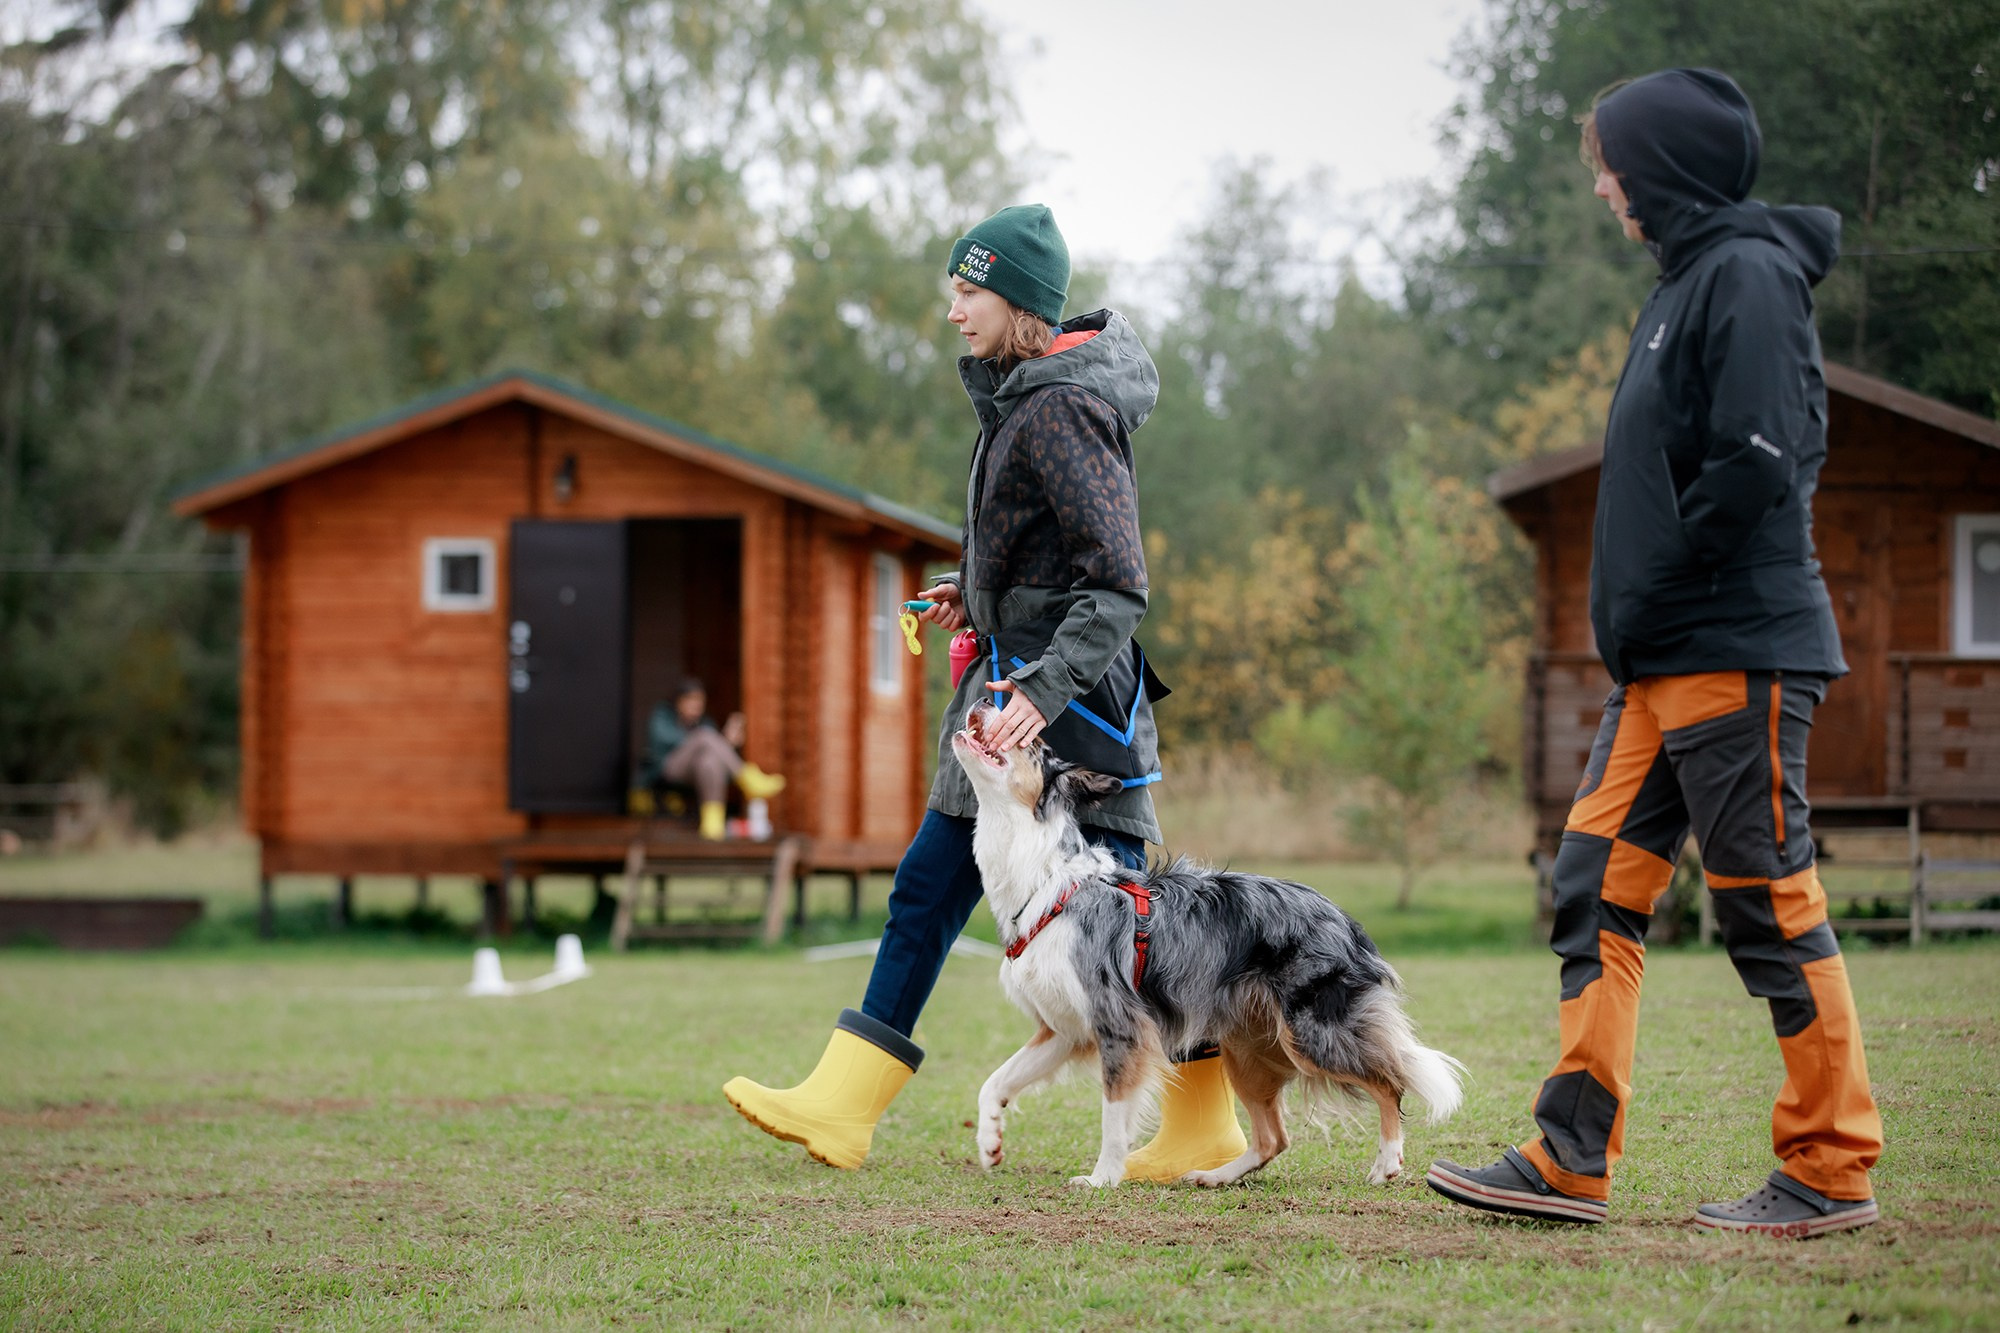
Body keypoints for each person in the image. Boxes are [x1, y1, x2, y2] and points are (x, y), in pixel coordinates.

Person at [1425, 69, 1884, 1237]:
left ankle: (1829, 1165)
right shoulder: (1685, 283)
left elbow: (1762, 459)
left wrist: (1668, 581)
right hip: (1661, 667)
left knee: (1765, 904)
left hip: (1731, 648)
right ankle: (1571, 1153)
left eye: (1610, 163)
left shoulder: (1747, 276)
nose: (1599, 184)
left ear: (1662, 169)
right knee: (1591, 883)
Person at [722, 204, 1245, 1177]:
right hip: (1001, 702)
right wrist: (972, 592)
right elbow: (1049, 554)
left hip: (1066, 715)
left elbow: (1117, 585)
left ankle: (1204, 1122)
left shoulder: (1063, 408)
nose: (952, 312)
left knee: (1136, 931)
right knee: (926, 887)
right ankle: (843, 1102)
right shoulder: (1023, 395)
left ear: (1018, 302)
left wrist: (1040, 692)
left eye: (967, 292)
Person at [644, 678, 785, 841]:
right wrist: (712, 740)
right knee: (704, 736)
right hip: (669, 767)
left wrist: (727, 742)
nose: (696, 705)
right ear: (679, 701)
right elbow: (667, 741)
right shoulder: (662, 716)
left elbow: (714, 751)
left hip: (695, 770)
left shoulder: (705, 721)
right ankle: (746, 777)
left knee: (709, 761)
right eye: (691, 700)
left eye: (699, 701)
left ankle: (712, 822)